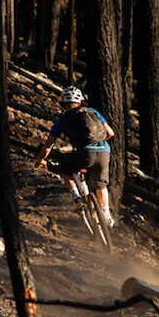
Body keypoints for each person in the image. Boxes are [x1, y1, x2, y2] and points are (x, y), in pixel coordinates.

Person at [35, 86, 116, 227]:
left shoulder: (62, 120)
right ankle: (107, 215)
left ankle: (77, 198)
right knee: (101, 185)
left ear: (64, 104)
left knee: (64, 168)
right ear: (79, 102)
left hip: (84, 154)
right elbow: (110, 133)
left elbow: (48, 146)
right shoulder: (93, 112)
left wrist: (40, 160)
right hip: (104, 151)